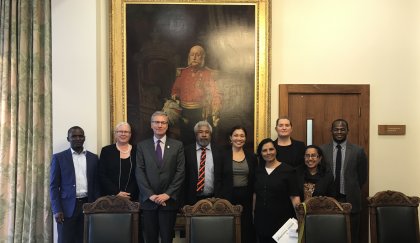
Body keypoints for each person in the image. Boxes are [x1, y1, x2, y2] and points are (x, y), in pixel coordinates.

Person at [135, 111, 185, 243]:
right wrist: (150, 195)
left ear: (167, 126)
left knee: (167, 238)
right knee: (150, 239)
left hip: (168, 202)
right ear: (151, 125)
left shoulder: (177, 145)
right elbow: (139, 171)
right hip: (148, 202)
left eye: (163, 122)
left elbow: (180, 172)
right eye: (156, 122)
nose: (160, 125)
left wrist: (167, 194)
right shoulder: (142, 146)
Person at [320, 119, 368, 243]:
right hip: (328, 199)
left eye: (342, 129)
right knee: (330, 235)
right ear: (331, 131)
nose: (339, 132)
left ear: (347, 130)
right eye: (336, 129)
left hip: (350, 199)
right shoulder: (323, 150)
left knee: (352, 236)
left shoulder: (358, 151)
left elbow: (362, 177)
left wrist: (352, 188)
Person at [49, 126, 100, 243]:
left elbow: (96, 184)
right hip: (66, 209)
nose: (78, 138)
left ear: (84, 138)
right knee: (65, 239)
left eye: (80, 136)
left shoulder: (93, 158)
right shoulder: (59, 158)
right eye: (74, 136)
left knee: (85, 239)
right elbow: (53, 186)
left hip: (88, 205)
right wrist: (57, 209)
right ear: (68, 139)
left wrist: (96, 206)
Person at [170, 45, 222, 145]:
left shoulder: (209, 74)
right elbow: (175, 90)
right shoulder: (183, 72)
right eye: (192, 55)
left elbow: (216, 93)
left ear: (203, 57)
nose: (194, 57)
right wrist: (175, 96)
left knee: (202, 142)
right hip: (184, 113)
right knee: (186, 140)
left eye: (197, 55)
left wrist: (215, 108)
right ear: (189, 57)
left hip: (201, 113)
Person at [254, 138, 300, 243]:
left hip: (283, 224)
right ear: (260, 153)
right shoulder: (258, 171)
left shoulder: (288, 170)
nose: (268, 152)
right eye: (264, 150)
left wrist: (300, 219)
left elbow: (294, 197)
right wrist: (253, 215)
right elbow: (255, 195)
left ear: (276, 150)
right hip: (262, 221)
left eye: (271, 149)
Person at [221, 125, 257, 243]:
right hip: (227, 197)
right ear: (230, 138)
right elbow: (218, 178)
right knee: (228, 228)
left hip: (246, 198)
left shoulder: (252, 157)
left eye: (242, 136)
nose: (239, 138)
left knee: (246, 228)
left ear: (245, 138)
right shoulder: (222, 156)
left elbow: (254, 179)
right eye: (236, 135)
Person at [183, 120, 223, 205]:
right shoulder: (186, 151)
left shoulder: (219, 151)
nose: (204, 135)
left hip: (214, 199)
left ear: (210, 135)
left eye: (207, 132)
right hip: (191, 200)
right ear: (196, 134)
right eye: (200, 132)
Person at [98, 122, 138, 200]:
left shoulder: (137, 150)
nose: (123, 134)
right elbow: (101, 174)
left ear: (130, 134)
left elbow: (140, 174)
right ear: (115, 134)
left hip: (133, 197)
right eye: (120, 131)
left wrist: (128, 193)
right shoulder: (106, 151)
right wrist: (116, 192)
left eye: (126, 132)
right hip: (110, 198)